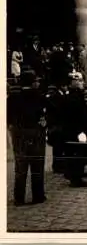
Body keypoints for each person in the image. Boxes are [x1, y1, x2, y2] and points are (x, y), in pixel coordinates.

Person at [8, 70, 47, 206]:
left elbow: (8, 116)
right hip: (35, 133)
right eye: (36, 81)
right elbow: (47, 112)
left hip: (19, 133)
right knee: (37, 166)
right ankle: (38, 196)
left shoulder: (13, 97)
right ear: (32, 82)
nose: (38, 83)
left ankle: (19, 198)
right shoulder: (38, 96)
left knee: (20, 167)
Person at [62, 72, 87, 187]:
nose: (82, 83)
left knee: (76, 153)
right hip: (77, 131)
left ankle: (73, 174)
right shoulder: (74, 97)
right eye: (80, 81)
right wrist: (81, 131)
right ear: (74, 82)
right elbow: (76, 116)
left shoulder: (76, 95)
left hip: (76, 130)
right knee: (78, 153)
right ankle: (76, 177)